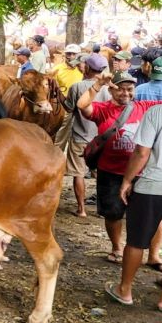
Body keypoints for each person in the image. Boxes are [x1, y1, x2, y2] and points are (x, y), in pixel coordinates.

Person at [110, 63, 162, 312]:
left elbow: (142, 152)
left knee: (136, 242)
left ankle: (125, 291)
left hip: (152, 186)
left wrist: (127, 181)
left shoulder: (157, 113)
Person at [78, 70, 162, 263]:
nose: (125, 93)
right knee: (113, 213)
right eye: (121, 89)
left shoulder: (145, 107)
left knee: (153, 215)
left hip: (142, 172)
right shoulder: (102, 109)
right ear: (111, 90)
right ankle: (117, 248)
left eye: (130, 89)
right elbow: (82, 105)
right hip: (110, 171)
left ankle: (154, 255)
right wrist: (98, 84)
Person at [64, 54, 109, 217]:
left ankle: (81, 209)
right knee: (101, 174)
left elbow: (69, 108)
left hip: (79, 136)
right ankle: (102, 209)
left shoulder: (76, 87)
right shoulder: (108, 89)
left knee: (78, 173)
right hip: (101, 138)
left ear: (88, 68)